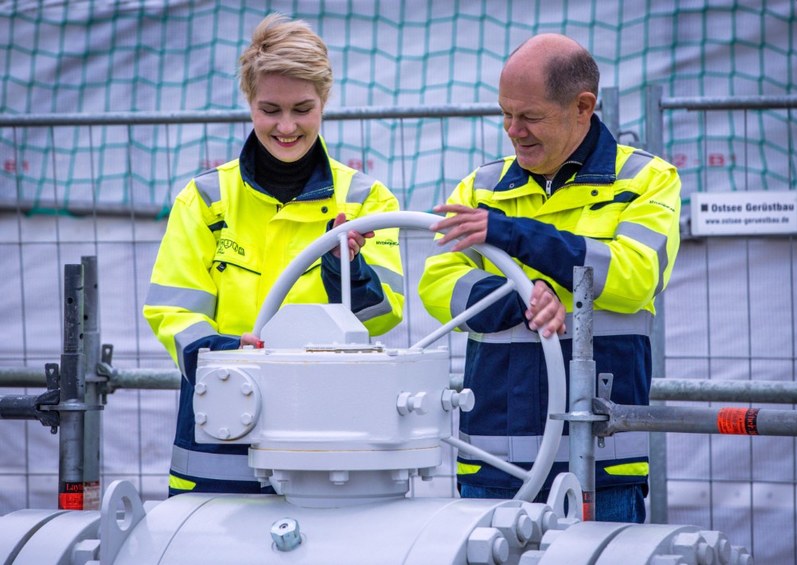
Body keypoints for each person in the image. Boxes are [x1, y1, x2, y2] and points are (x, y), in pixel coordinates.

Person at [418, 33, 681, 523]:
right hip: (493, 461)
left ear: (583, 107)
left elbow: (635, 277)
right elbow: (437, 284)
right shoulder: (481, 186)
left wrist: (512, 236)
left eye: (530, 117)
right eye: (505, 114)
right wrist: (520, 298)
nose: (513, 130)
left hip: (602, 465)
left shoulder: (648, 180)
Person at [143, 13, 404, 496]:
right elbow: (172, 312)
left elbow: (384, 317)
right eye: (271, 109)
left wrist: (345, 266)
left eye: (302, 109)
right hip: (222, 429)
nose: (286, 126)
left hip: (331, 432)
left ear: (324, 101)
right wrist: (229, 356)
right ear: (249, 102)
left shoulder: (368, 200)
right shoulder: (204, 198)